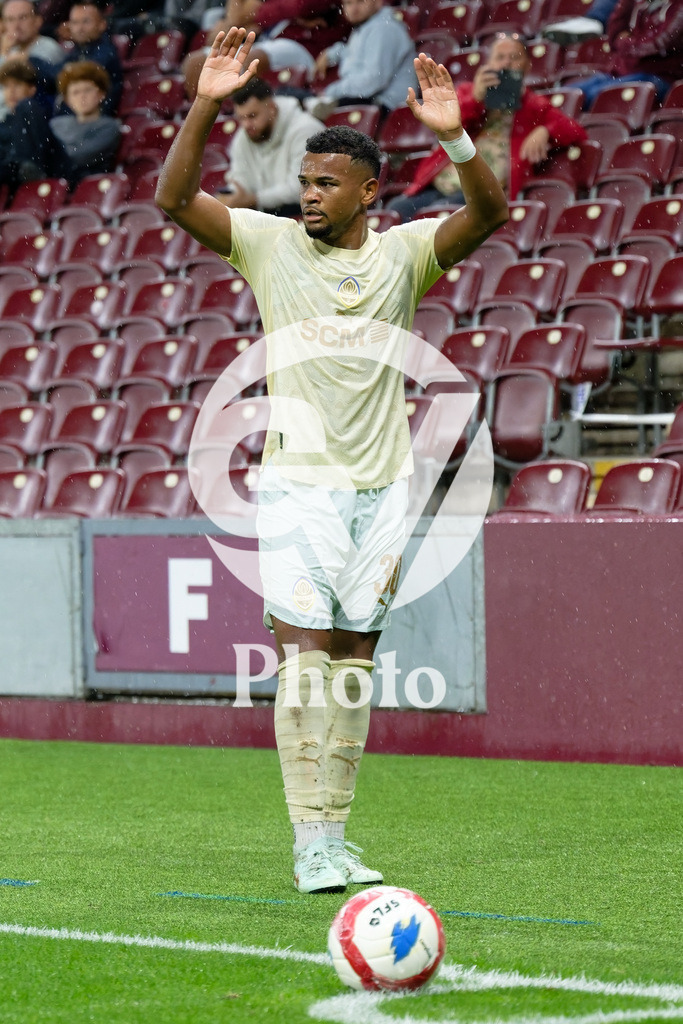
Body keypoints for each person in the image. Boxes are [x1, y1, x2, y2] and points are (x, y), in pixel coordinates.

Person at [156, 27, 507, 894]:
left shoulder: (403, 254)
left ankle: (335, 835)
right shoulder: (268, 244)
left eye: (324, 183)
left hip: (383, 487)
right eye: (304, 181)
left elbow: (488, 215)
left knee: (352, 663)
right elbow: (173, 198)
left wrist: (455, 139)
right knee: (305, 659)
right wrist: (204, 104)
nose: (308, 195)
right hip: (298, 486)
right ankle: (307, 842)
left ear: (367, 191)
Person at [387, 33, 587, 223]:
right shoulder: (468, 91)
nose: (506, 63)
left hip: (480, 192)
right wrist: (476, 98)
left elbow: (575, 130)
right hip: (439, 184)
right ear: (489, 64)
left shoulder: (534, 105)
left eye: (514, 57)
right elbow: (448, 126)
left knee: (440, 215)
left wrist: (546, 131)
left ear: (527, 66)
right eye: (500, 57)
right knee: (395, 210)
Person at [181, 0, 346, 101]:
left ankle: (241, 113)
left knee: (252, 59)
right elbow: (236, 16)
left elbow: (302, 6)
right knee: (195, 62)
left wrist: (257, 14)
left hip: (304, 46)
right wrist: (275, 13)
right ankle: (204, 120)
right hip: (267, 40)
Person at [213, 76, 323, 215]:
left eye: (252, 116)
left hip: (306, 214)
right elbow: (241, 178)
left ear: (271, 107)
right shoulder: (243, 136)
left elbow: (302, 189)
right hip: (268, 217)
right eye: (241, 118)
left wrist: (253, 200)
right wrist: (232, 195)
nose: (246, 125)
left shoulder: (305, 130)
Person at [307, 0, 417, 119]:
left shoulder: (384, 28)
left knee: (309, 112)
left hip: (387, 109)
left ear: (378, 2)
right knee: (302, 103)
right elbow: (354, 55)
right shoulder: (366, 26)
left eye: (360, 1)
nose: (354, 9)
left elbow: (372, 82)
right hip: (369, 102)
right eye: (348, 3)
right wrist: (331, 53)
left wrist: (330, 92)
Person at [573, 0, 683, 107]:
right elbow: (614, 36)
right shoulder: (641, 4)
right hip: (620, 73)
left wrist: (625, 42)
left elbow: (660, 44)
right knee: (570, 93)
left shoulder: (678, 6)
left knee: (594, 96)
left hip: (658, 76)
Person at [49, 59, 121, 184]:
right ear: (67, 100)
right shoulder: (56, 124)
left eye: (87, 90)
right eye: (75, 92)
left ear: (101, 94)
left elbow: (80, 157)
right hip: (52, 177)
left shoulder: (110, 127)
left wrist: (54, 153)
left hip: (82, 183)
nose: (82, 96)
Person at [0, 0, 63, 119]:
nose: (16, 26)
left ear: (37, 21)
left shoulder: (48, 48)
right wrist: (3, 53)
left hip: (34, 117)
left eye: (22, 18)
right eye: (10, 19)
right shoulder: (8, 49)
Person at [0, 58, 59, 183]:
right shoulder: (4, 124)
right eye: (6, 86)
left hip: (41, 179)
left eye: (17, 85)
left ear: (32, 89)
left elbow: (42, 157)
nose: (11, 91)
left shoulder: (35, 111)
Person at [59, 0, 123, 114]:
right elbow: (59, 71)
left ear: (102, 24)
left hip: (96, 118)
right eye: (75, 22)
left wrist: (33, 62)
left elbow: (76, 73)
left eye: (86, 21)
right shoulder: (78, 50)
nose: (80, 28)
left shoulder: (106, 51)